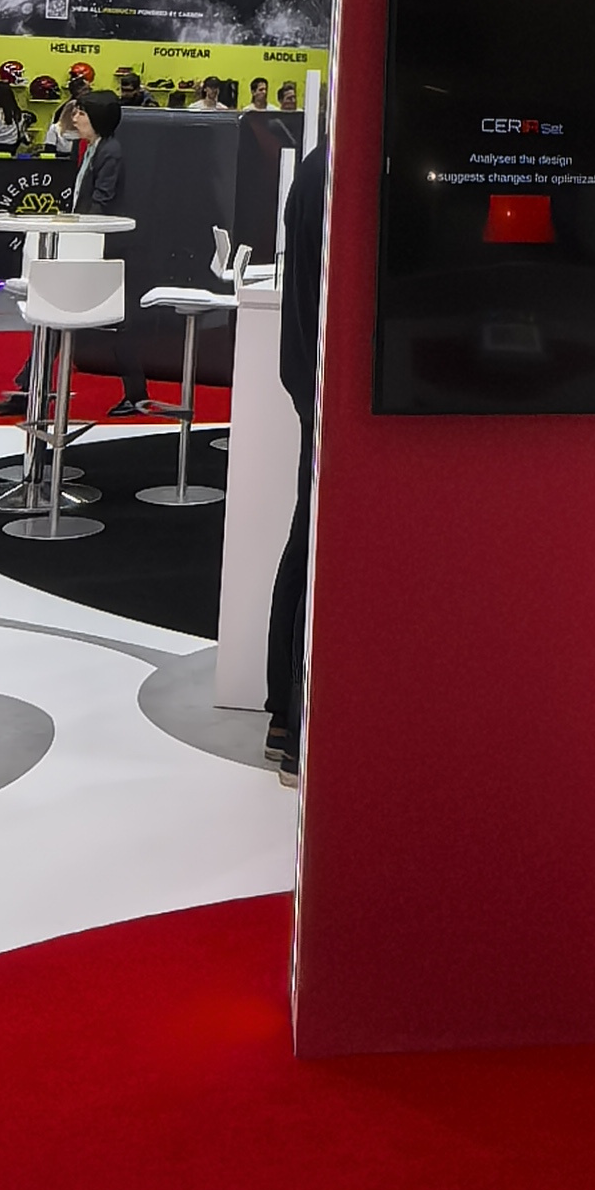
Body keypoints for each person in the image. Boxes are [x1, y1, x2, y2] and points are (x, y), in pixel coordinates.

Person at [264, 141, 329, 783]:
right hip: (328, 388)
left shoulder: (320, 166)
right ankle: (293, 723)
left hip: (314, 380)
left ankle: (284, 717)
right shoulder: (339, 169)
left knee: (306, 536)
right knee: (315, 544)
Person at [64, 94, 147, 412]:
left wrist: (80, 232)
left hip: (104, 246)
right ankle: (30, 382)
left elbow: (102, 199)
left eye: (81, 113)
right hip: (91, 241)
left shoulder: (110, 152)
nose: (75, 118)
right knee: (62, 309)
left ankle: (136, 392)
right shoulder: (94, 148)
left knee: (116, 321)